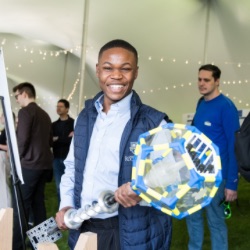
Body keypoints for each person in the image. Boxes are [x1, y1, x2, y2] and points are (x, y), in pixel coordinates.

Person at [56, 39, 172, 250]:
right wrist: (66, 205)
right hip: (84, 226)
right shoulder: (84, 117)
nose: (116, 75)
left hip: (127, 231)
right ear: (98, 70)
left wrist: (144, 190)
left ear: (136, 72)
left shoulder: (154, 122)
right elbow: (72, 167)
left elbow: (174, 176)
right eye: (108, 68)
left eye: (125, 69)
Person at [186, 64, 240, 250]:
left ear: (217, 81)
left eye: (206, 80)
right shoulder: (201, 103)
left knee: (215, 222)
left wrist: (232, 183)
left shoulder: (226, 107)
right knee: (192, 219)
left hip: (216, 177)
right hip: (195, 175)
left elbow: (235, 147)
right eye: (199, 79)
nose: (201, 83)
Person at [12, 82, 53, 250]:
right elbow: (50, 141)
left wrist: (16, 159)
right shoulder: (45, 114)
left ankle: (17, 245)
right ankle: (41, 244)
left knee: (20, 206)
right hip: (44, 165)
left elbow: (22, 140)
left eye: (16, 96)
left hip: (29, 165)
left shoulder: (25, 112)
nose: (16, 100)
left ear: (24, 94)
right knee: (38, 204)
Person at [52, 99, 74, 204]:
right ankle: (62, 207)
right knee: (58, 186)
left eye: (61, 106)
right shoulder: (54, 125)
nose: (58, 108)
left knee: (71, 185)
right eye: (57, 106)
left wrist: (58, 139)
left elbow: (73, 141)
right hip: (56, 158)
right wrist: (66, 138)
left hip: (69, 158)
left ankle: (70, 206)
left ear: (67, 109)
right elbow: (50, 141)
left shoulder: (73, 123)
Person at [0, 113, 12, 209]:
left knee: (3, 185)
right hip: (3, 157)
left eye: (2, 116)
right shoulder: (5, 130)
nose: (0, 118)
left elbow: (10, 147)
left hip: (3, 157)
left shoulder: (9, 130)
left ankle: (6, 208)